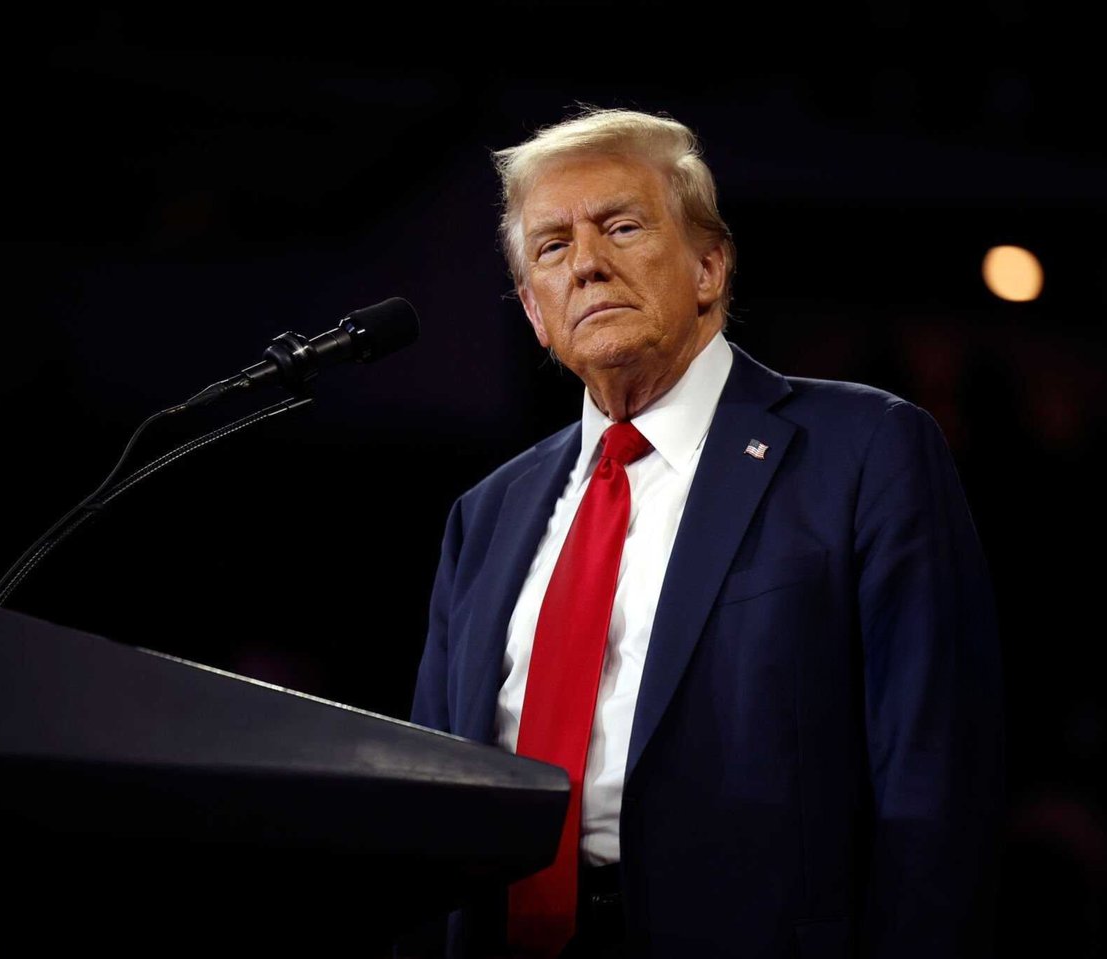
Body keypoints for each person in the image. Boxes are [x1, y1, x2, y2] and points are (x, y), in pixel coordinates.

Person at [410, 107, 1003, 959]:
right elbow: (435, 794)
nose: (586, 263)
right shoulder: (488, 513)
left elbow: (937, 776)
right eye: (551, 247)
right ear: (536, 316)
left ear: (709, 266)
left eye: (621, 225)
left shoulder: (865, 451)